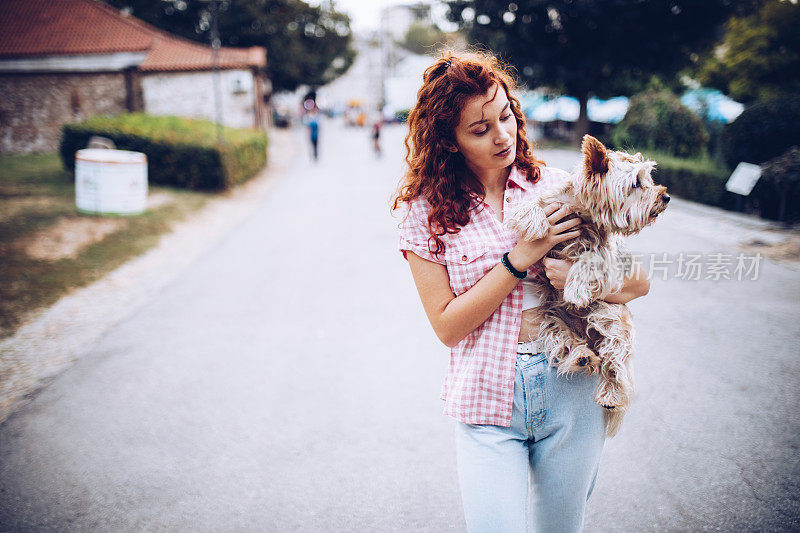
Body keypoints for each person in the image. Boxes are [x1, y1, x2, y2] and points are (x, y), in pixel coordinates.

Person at [391, 50, 651, 532]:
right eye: (480, 128)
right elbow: (448, 327)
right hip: (488, 399)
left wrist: (583, 276)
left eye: (505, 115)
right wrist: (520, 258)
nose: (502, 135)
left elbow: (639, 280)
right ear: (447, 141)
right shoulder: (424, 216)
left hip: (572, 388)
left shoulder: (559, 186)